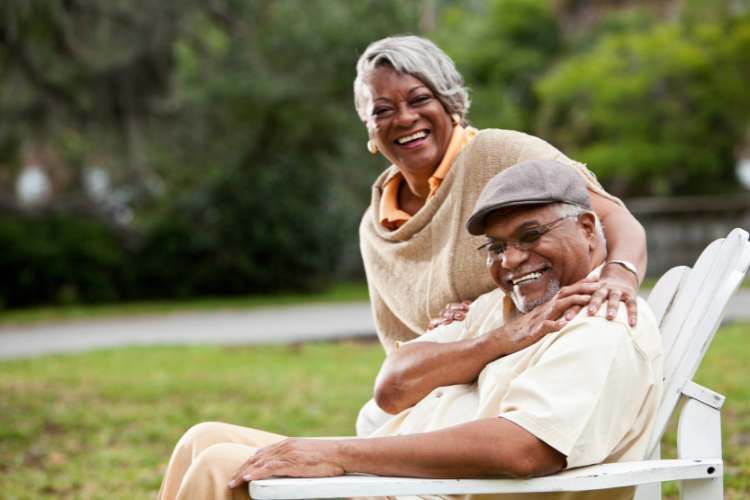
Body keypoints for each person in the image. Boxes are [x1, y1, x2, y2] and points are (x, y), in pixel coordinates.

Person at [157, 160, 663, 500]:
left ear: (590, 229)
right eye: (496, 247)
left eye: (531, 235)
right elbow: (393, 387)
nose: (512, 260)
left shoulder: (601, 320)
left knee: (223, 465)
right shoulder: (501, 309)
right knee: (204, 437)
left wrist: (335, 455)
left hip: (435, 491)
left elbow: (524, 449)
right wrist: (505, 339)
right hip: (402, 478)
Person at [354, 34, 646, 435]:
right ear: (369, 128)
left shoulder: (500, 154)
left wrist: (620, 277)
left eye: (419, 99)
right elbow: (402, 350)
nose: (403, 118)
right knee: (371, 418)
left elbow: (612, 218)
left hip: (523, 372)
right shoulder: (376, 227)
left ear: (450, 102)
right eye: (383, 110)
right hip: (449, 383)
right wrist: (448, 335)